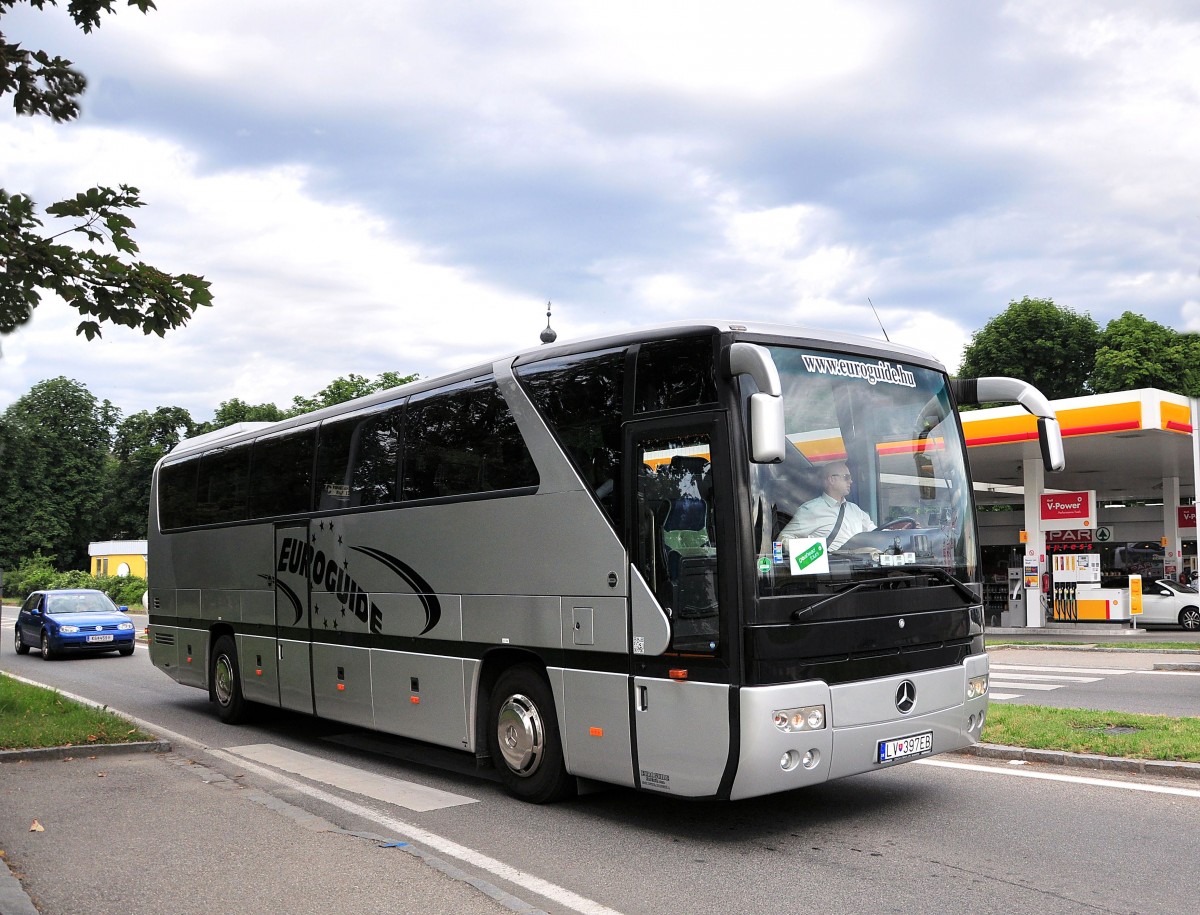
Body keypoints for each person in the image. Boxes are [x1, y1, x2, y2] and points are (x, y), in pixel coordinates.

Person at [779, 461, 876, 549]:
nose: (850, 481)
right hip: (831, 567)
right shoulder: (811, 510)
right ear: (832, 480)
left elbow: (875, 533)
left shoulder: (855, 510)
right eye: (846, 477)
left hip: (860, 566)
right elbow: (783, 539)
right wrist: (811, 550)